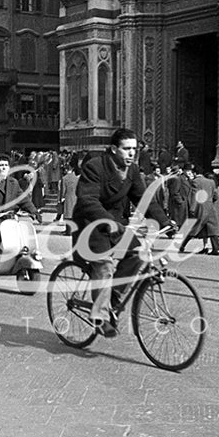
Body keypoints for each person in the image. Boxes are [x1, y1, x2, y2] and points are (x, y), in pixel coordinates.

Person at [72, 128, 174, 338]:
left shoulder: (133, 170)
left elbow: (144, 199)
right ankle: (99, 316)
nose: (132, 153)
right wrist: (110, 222)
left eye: (134, 149)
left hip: (115, 225)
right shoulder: (95, 167)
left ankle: (114, 295)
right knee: (104, 265)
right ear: (113, 149)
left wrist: (165, 221)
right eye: (126, 149)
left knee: (139, 253)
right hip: (90, 225)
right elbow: (88, 200)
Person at [179, 166, 219, 255]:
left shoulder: (196, 182)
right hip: (210, 207)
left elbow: (194, 195)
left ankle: (182, 245)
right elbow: (215, 196)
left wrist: (192, 208)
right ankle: (216, 249)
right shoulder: (211, 182)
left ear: (195, 173)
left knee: (194, 227)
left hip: (200, 207)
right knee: (213, 228)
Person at [58, 157, 80, 236]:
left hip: (68, 197)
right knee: (73, 214)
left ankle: (68, 231)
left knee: (67, 214)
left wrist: (61, 199)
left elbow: (63, 190)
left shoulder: (65, 178)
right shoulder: (77, 178)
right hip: (75, 197)